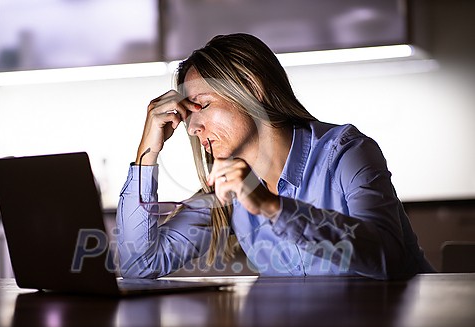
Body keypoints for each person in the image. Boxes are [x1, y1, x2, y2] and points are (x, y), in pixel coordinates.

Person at [116, 33, 435, 280]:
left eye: (203, 105)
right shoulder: (229, 191)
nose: (192, 128)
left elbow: (387, 258)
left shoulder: (347, 153)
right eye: (188, 116)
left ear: (251, 88)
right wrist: (147, 153)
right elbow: (139, 265)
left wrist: (272, 207)